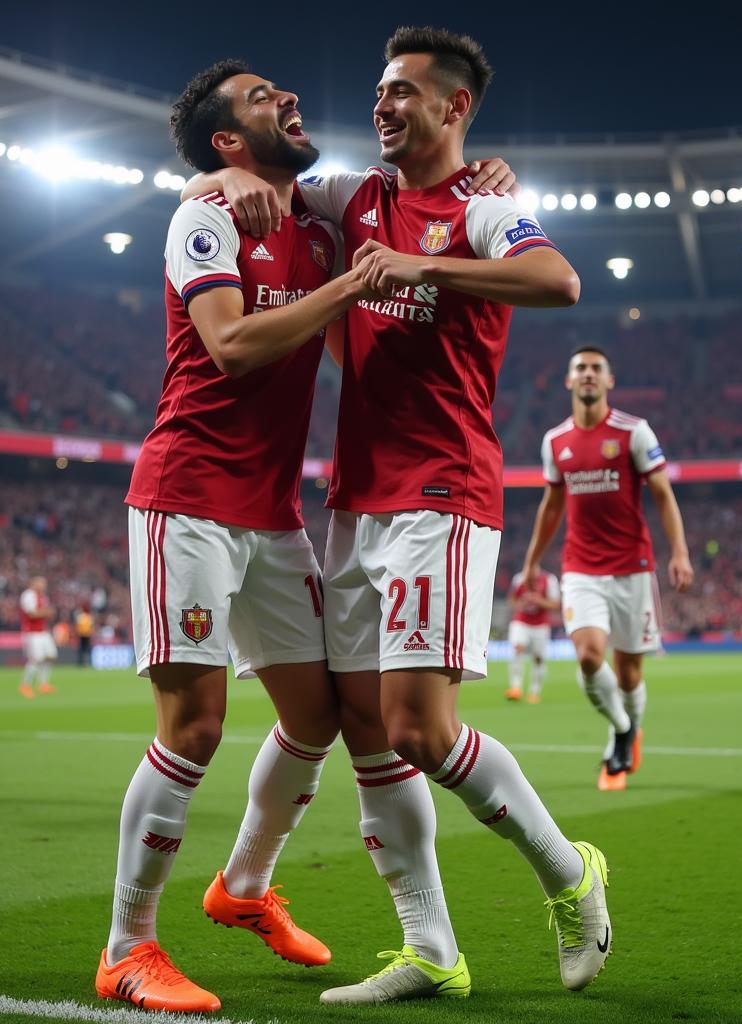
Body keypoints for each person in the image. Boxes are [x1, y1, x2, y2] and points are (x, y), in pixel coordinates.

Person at [193, 27, 612, 1005]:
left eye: (403, 95)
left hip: (441, 495)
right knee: (361, 725)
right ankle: (429, 948)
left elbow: (559, 281)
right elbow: (225, 185)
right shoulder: (354, 198)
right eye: (378, 93)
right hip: (353, 500)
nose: (381, 107)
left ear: (454, 108)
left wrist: (428, 269)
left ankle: (569, 873)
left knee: (421, 729)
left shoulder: (484, 207)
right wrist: (215, 188)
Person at [97, 58, 513, 1014]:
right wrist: (353, 280)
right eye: (259, 101)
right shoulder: (202, 217)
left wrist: (492, 178)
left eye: (282, 90)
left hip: (275, 513)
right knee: (194, 724)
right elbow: (232, 343)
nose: (288, 97)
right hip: (188, 496)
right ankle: (128, 947)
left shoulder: (316, 227)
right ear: (227, 143)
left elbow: (417, 203)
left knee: (323, 715)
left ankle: (242, 889)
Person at [522, 345, 694, 791]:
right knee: (588, 656)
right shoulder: (555, 442)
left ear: (609, 381)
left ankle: (628, 732)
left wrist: (679, 552)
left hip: (633, 569)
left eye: (597, 369)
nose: (588, 375)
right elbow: (552, 504)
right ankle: (621, 730)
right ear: (568, 380)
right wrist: (531, 560)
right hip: (581, 568)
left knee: (631, 673)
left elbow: (661, 493)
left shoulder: (634, 432)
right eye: (580, 368)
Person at [504, 567, 561, 704]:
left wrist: (538, 601)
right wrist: (520, 605)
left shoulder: (549, 580)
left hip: (540, 625)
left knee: (538, 658)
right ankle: (515, 688)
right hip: (521, 621)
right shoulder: (519, 578)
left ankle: (534, 692)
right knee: (517, 648)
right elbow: (511, 599)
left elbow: (556, 605)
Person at [19, 575, 57, 697]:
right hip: (32, 633)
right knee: (35, 659)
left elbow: (42, 613)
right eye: (40, 583)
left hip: (43, 631)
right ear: (33, 583)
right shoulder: (28, 595)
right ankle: (25, 686)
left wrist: (46, 613)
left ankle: (43, 684)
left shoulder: (43, 597)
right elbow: (31, 614)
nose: (43, 585)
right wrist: (47, 612)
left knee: (50, 656)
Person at [75, 603, 94, 667]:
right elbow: (91, 627)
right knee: (85, 649)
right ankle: (85, 663)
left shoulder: (81, 617)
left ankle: (83, 663)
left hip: (83, 635)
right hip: (86, 635)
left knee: (82, 649)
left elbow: (78, 627)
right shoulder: (88, 617)